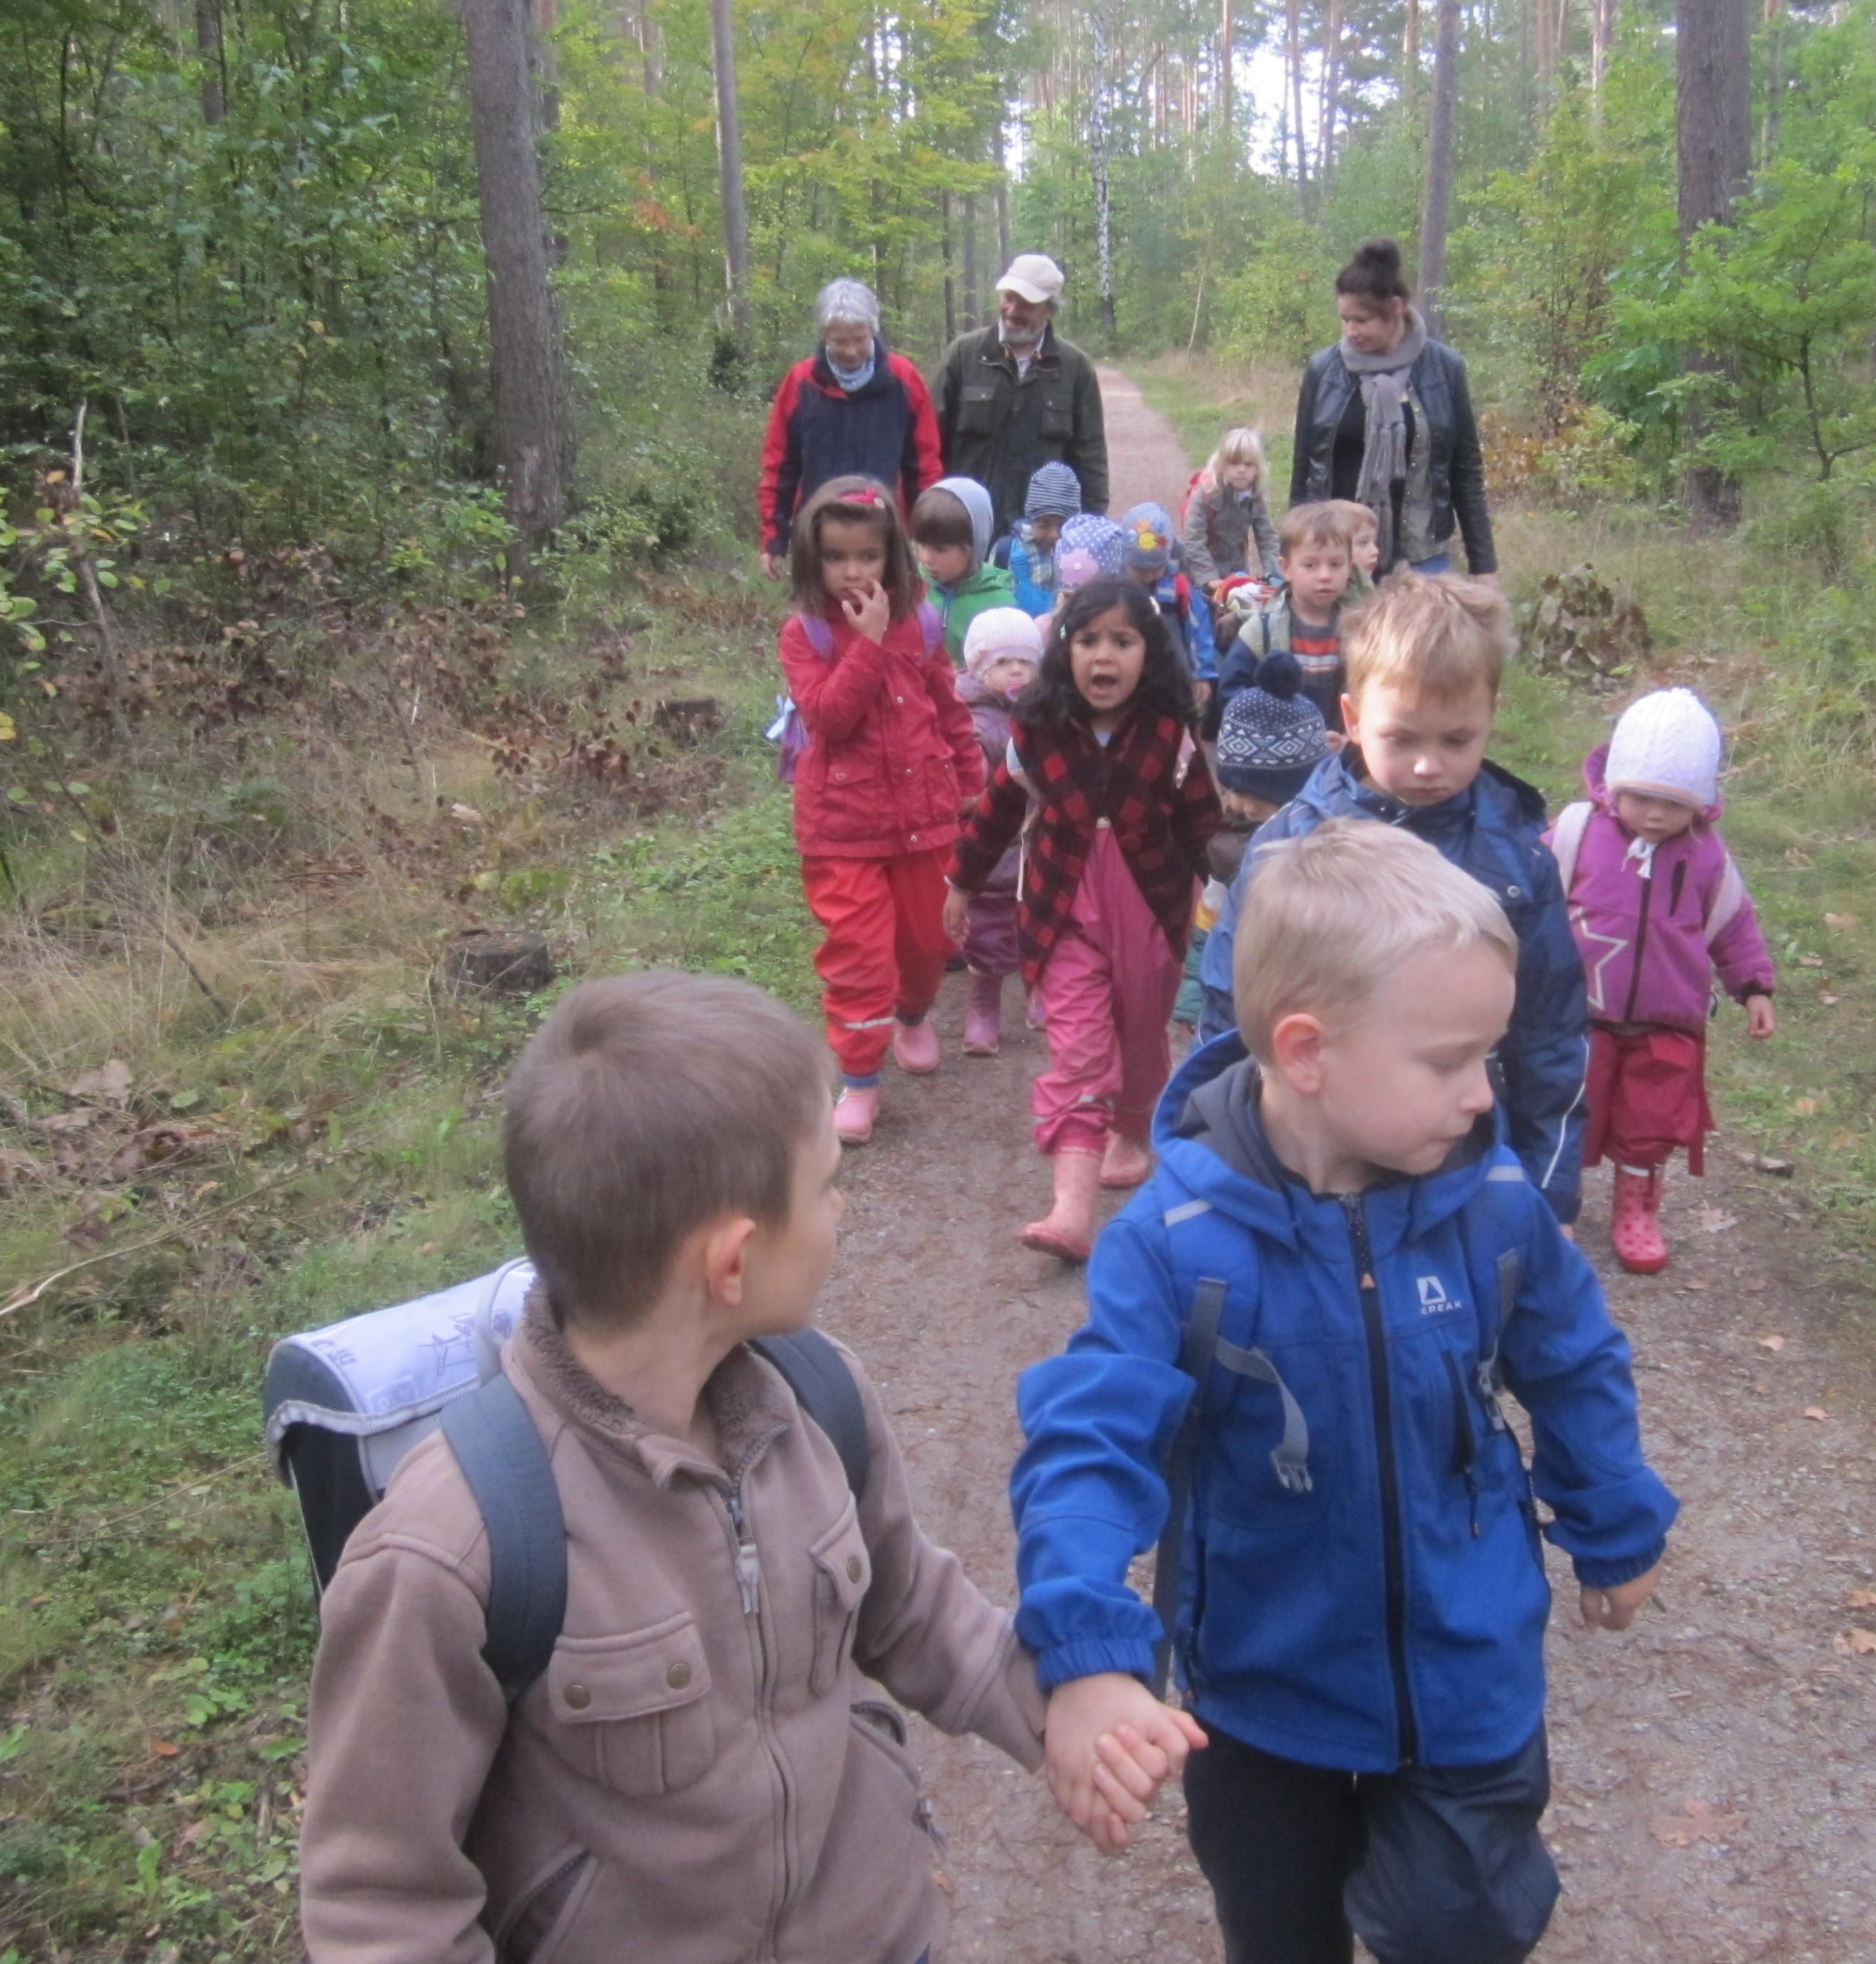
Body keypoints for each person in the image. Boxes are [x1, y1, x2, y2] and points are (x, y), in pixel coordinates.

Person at [299, 970, 1194, 1964]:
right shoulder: (452, 1552)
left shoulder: (817, 1401)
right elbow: (382, 1904)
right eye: (826, 1188)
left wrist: (1064, 1702)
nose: (840, 1210)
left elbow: (910, 1609)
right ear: (732, 1263)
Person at [1011, 820, 1680, 1964]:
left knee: (1460, 1923)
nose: (1482, 1096)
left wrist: (1614, 1518)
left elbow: (1573, 1358)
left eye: (1490, 1057)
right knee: (1278, 1934)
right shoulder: (1176, 1244)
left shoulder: (1493, 1208)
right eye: (1448, 1062)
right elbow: (1089, 1445)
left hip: (1469, 1668)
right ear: (1308, 1052)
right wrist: (1085, 1646)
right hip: (1263, 1693)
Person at [1196, 576, 1590, 1227]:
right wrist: (1225, 1160)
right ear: (1352, 719)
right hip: (1316, 1156)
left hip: (1463, 1160)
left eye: (1456, 740)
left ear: (1491, 716)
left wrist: (1548, 1194)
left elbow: (1550, 1036)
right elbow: (1232, 1001)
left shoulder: (1518, 863)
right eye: (1402, 739)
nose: (1428, 765)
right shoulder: (1291, 846)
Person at [945, 576, 1220, 1260]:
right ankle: (1071, 1208)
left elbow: (1201, 822)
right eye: (1089, 639)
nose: (1104, 655)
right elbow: (996, 812)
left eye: (1122, 641)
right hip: (1061, 908)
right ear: (1064, 651)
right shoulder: (1037, 732)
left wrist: (1228, 893)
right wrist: (961, 883)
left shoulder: (1169, 733)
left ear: (1148, 653)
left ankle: (1133, 1126)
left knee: (1141, 1037)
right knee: (1078, 1049)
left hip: (1151, 908)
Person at [778, 477, 984, 1144]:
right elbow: (827, 718)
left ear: (891, 554)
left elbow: (947, 705)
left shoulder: (920, 621)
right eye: (836, 558)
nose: (852, 572)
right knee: (860, 959)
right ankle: (860, 1080)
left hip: (924, 819)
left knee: (930, 943)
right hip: (841, 829)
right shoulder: (806, 634)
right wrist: (865, 645)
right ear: (813, 561)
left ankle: (913, 1013)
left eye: (866, 556)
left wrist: (971, 776)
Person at [1554, 688, 1778, 1274]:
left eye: (1674, 804)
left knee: (1650, 1120)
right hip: (1580, 1016)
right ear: (1614, 786)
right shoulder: (1577, 835)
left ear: (1702, 803)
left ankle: (1636, 1209)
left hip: (1667, 1021)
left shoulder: (1707, 858)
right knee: (1568, 1110)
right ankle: (1555, 1205)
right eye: (1643, 798)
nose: (1655, 814)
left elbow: (1734, 926)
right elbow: (1526, 898)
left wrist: (1754, 987)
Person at [1289, 239, 1494, 585]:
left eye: (1361, 320)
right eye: (1345, 320)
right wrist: (1295, 557)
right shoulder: (1324, 371)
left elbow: (1466, 473)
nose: (1351, 331)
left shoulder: (1445, 369)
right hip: (1336, 559)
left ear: (1396, 309)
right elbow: (1304, 473)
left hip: (1423, 557)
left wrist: (1484, 567)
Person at [1175, 653, 1333, 1035]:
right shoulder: (1229, 850)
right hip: (1241, 1004)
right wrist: (1193, 998)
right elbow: (1208, 928)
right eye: (1231, 789)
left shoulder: (1327, 849)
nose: (1238, 805)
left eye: (1254, 795)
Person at [757, 277, 942, 578]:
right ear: (824, 336)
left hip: (884, 533)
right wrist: (773, 538)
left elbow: (923, 468)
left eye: (860, 339)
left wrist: (927, 534)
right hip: (817, 534)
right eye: (840, 342)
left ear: (874, 331)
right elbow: (780, 468)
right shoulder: (800, 383)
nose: (852, 350)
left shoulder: (904, 380)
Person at [935, 253, 1111, 530]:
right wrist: (932, 516)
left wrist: (1090, 528)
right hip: (967, 528)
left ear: (1050, 309)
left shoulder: (1075, 368)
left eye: (1026, 303)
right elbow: (931, 444)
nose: (1012, 311)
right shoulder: (963, 355)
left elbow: (1091, 460)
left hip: (1045, 535)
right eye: (1008, 298)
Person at [954, 606, 1044, 1056]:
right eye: (1004, 662)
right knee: (988, 926)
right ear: (980, 667)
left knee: (1041, 919)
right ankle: (983, 1006)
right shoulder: (971, 721)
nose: (1016, 671)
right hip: (993, 837)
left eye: (1025, 661)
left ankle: (1038, 991)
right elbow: (966, 779)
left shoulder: (1044, 712)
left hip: (1038, 836)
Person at [1214, 500, 1363, 734]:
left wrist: (1351, 736)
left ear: (1349, 567)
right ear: (1286, 568)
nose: (1325, 575)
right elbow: (1231, 689)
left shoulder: (1359, 630)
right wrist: (1270, 728)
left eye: (1336, 564)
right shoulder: (1263, 629)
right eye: (1311, 565)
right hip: (1277, 745)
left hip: (1339, 745)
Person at [1118, 503, 1218, 694]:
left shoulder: (1178, 588)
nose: (1148, 575)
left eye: (1156, 568)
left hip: (1173, 682)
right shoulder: (1115, 588)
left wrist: (1201, 674)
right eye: (1139, 569)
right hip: (1126, 681)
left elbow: (1198, 629)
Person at [913, 476, 1014, 663]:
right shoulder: (910, 587)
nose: (926, 558)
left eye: (940, 549)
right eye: (921, 544)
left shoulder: (999, 604)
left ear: (974, 546)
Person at [1179, 427, 1282, 594]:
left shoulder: (1255, 498)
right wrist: (1209, 577)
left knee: (1242, 606)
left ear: (1257, 469)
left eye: (1249, 464)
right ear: (1222, 466)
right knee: (1204, 606)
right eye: (1234, 463)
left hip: (1237, 569)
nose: (1242, 470)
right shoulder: (1205, 495)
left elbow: (1268, 538)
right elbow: (1193, 539)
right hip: (1201, 570)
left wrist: (1274, 574)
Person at [1000, 460, 1085, 615]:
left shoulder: (1082, 554)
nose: (1054, 535)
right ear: (1031, 520)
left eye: (1063, 526)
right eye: (1044, 525)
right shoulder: (1009, 551)